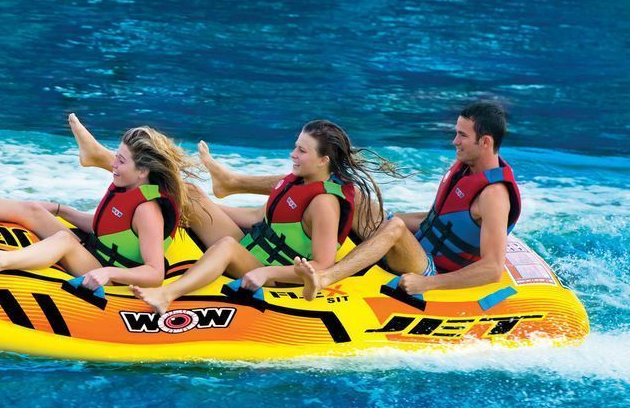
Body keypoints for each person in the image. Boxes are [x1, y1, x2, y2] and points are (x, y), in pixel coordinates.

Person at [201, 101, 521, 298]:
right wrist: (382, 218)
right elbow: (436, 221)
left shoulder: (494, 195)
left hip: (431, 269)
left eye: (462, 135)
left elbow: (492, 269)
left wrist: (427, 285)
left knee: (393, 228)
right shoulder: (465, 169)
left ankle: (324, 276)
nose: (454, 141)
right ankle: (233, 183)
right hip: (417, 247)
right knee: (337, 185)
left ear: (485, 142)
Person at [131, 120, 389, 314]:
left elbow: (323, 264)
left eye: (302, 151)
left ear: (323, 160)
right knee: (189, 194)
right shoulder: (297, 182)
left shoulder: (324, 203)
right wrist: (203, 208)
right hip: (252, 249)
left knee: (227, 246)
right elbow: (257, 216)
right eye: (295, 147)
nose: (293, 154)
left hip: (275, 274)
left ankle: (167, 294)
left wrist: (267, 272)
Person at [0, 115, 199, 289]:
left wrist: (107, 273)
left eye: (121, 161)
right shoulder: (127, 188)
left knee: (64, 240)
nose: (113, 164)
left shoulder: (148, 211)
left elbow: (154, 273)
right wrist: (63, 210)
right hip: (95, 252)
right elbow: (110, 230)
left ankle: (2, 260)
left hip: (112, 275)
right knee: (34, 209)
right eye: (116, 156)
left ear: (142, 171)